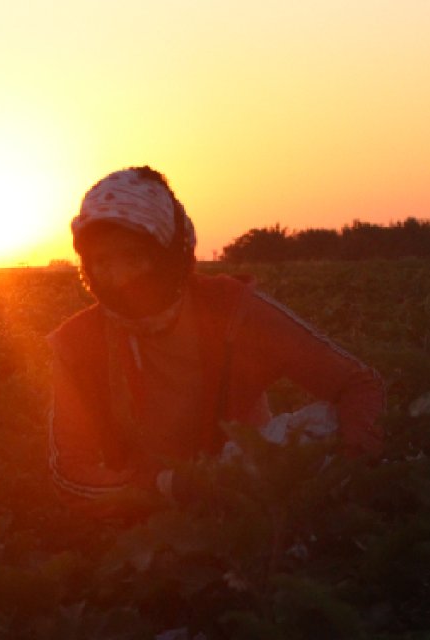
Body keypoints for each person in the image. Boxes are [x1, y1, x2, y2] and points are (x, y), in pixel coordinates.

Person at [47, 167, 384, 515]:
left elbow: (357, 385)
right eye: (102, 261)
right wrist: (163, 486)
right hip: (145, 516)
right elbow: (70, 474)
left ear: (169, 253)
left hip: (254, 497)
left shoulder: (232, 313)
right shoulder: (77, 344)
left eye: (134, 257)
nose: (118, 278)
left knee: (323, 425)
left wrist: (352, 462)